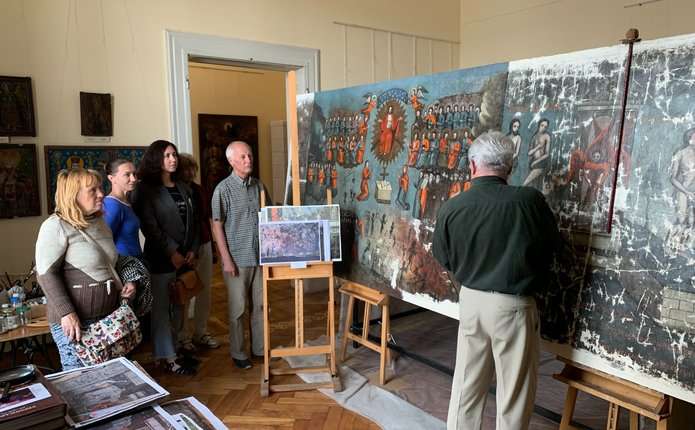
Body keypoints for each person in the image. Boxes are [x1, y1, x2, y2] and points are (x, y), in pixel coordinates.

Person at [432, 131, 560, 430]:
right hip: (514, 306)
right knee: (513, 396)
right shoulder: (529, 201)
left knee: (466, 387)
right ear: (510, 167)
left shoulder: (453, 206)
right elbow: (552, 248)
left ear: (472, 165)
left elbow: (443, 255)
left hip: (471, 301)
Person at [36, 168, 137, 370]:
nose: (101, 194)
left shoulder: (99, 222)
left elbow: (109, 261)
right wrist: (67, 313)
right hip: (76, 322)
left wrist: (128, 281)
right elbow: (46, 274)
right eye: (93, 190)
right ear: (73, 195)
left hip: (109, 318)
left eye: (100, 188)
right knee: (82, 380)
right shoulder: (55, 226)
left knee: (112, 378)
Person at [132, 140, 200, 375]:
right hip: (161, 257)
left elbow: (194, 221)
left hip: (186, 257)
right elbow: (150, 227)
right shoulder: (145, 190)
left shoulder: (182, 185)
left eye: (174, 155)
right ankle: (166, 356)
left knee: (180, 303)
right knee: (161, 309)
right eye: (167, 155)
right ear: (156, 159)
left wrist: (192, 249)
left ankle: (177, 349)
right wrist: (172, 252)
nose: (173, 159)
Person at [211, 141, 266, 369]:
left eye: (249, 155)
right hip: (236, 259)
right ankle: (238, 352)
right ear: (231, 161)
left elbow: (268, 218)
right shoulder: (222, 190)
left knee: (260, 306)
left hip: (260, 257)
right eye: (243, 157)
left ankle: (260, 349)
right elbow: (216, 225)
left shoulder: (259, 186)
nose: (248, 160)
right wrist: (226, 259)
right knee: (238, 308)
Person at [177, 154, 220, 351]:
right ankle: (183, 336)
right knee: (185, 292)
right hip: (185, 249)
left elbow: (207, 219)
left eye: (193, 168)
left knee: (205, 291)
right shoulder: (174, 190)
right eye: (186, 168)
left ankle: (201, 332)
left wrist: (214, 246)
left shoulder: (199, 190)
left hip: (204, 242)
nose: (190, 172)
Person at [103, 159, 142, 258]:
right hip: (123, 263)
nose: (133, 179)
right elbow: (104, 242)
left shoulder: (126, 202)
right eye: (127, 175)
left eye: (134, 174)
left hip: (136, 261)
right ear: (112, 178)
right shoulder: (112, 205)